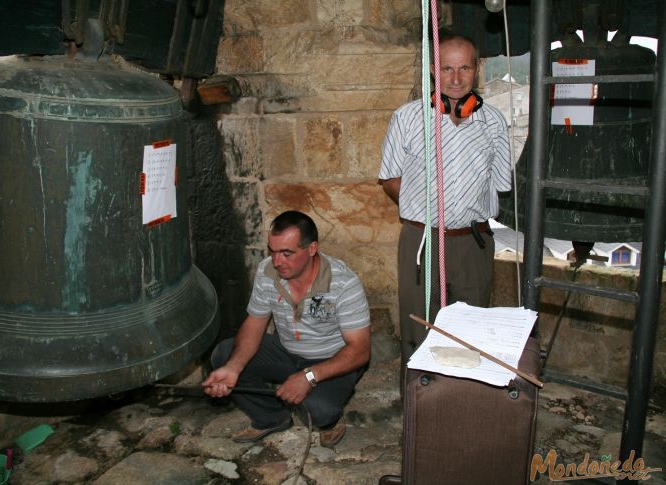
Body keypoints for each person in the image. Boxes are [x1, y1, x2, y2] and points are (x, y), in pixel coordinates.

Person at [378, 31, 511, 383]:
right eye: (447, 69)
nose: (455, 78)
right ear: (434, 71)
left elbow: (500, 184)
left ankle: (464, 403)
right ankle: (420, 408)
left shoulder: (494, 122)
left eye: (464, 68)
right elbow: (390, 178)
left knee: (473, 328)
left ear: (477, 68)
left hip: (473, 243)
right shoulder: (407, 118)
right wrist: (424, 209)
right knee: (417, 327)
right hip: (420, 243)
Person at [202, 210, 371, 448]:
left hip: (331, 359)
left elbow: (360, 351)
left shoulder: (344, 283)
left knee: (318, 410)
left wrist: (308, 377)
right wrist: (233, 367)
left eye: (287, 253)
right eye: (272, 251)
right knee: (224, 355)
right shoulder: (267, 272)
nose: (277, 261)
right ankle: (271, 417)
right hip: (286, 351)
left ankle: (330, 421)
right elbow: (255, 323)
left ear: (312, 249)